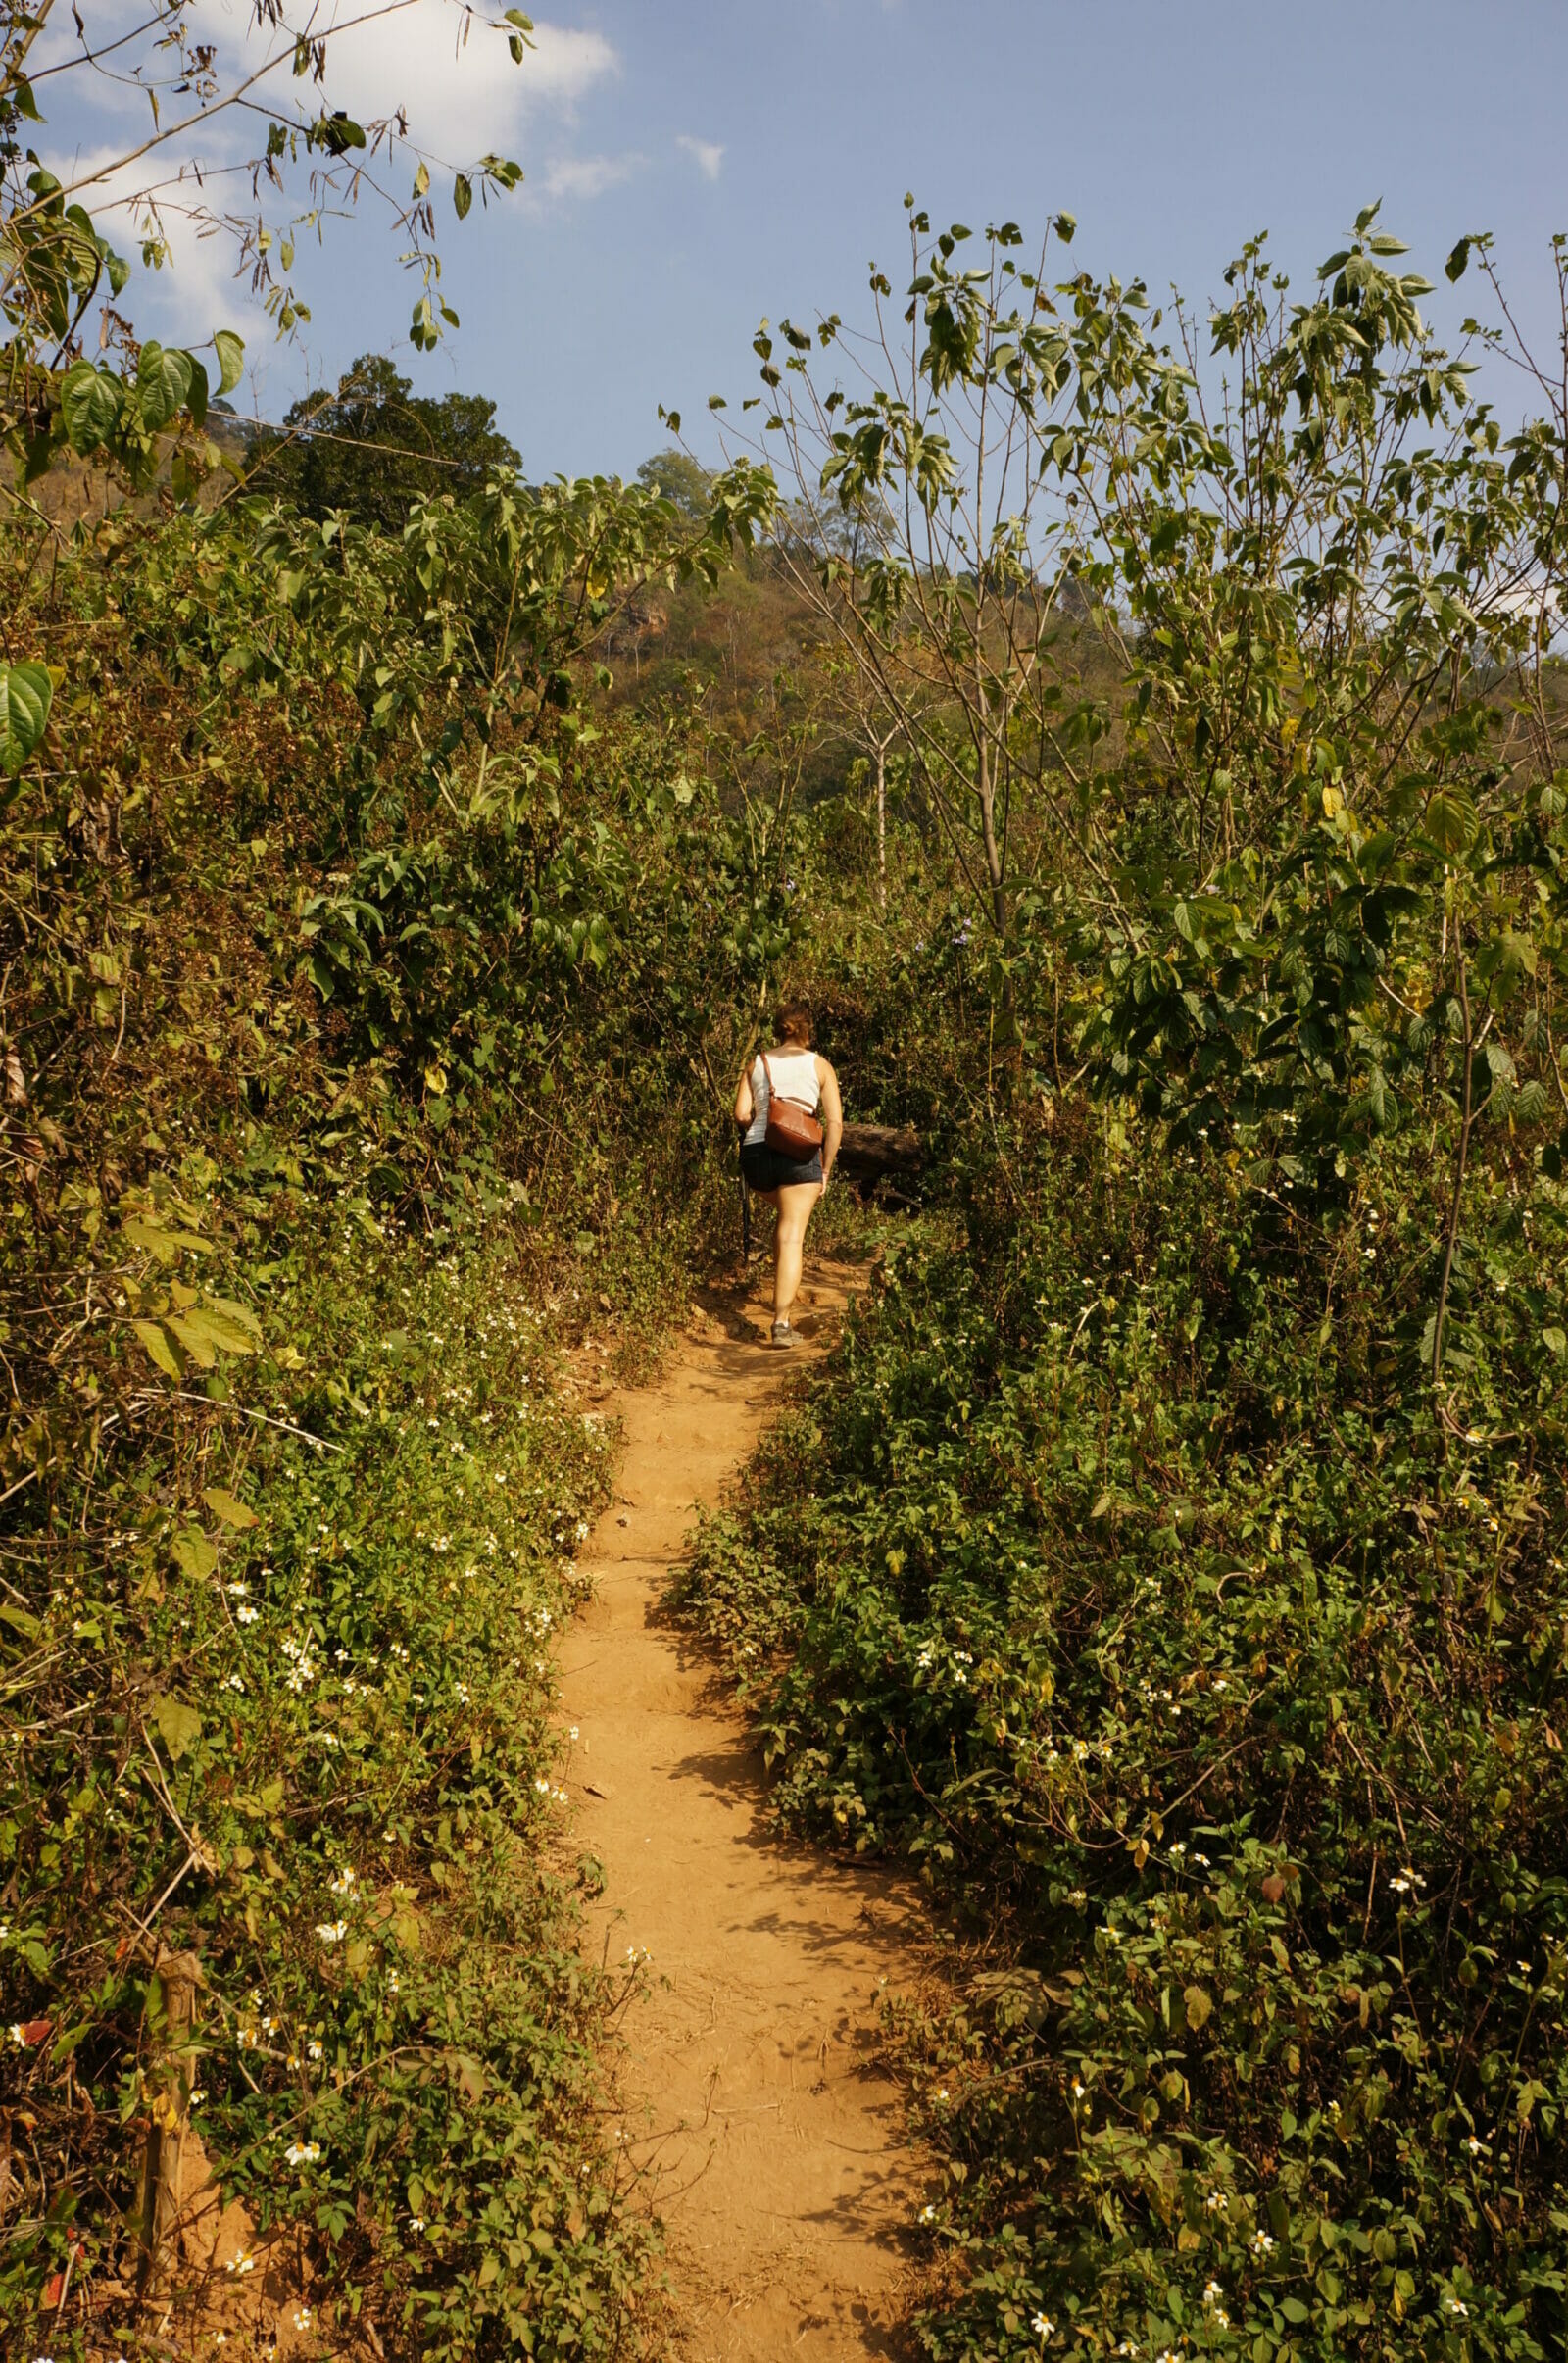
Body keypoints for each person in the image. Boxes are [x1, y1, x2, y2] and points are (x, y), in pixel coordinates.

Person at [733, 1000, 843, 1347]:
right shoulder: (821, 1066)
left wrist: (763, 1123)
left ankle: (780, 1300)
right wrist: (824, 1170)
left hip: (756, 1157)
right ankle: (781, 1324)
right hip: (799, 1154)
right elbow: (836, 1124)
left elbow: (740, 1115)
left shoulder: (756, 1063)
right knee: (793, 1232)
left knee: (785, 1220)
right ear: (806, 1031)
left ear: (778, 1031)